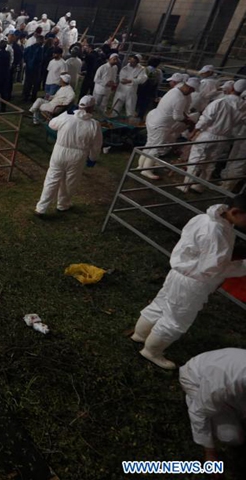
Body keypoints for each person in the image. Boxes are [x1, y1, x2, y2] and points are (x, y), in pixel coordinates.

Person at [131, 195, 246, 369]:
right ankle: (152, 351)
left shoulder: (203, 218)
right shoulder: (218, 232)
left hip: (179, 272)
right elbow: (212, 268)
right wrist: (242, 266)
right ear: (235, 212)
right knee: (177, 319)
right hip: (194, 282)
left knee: (161, 303)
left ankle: (140, 334)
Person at [34, 95, 102, 215]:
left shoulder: (66, 117)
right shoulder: (94, 125)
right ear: (91, 108)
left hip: (60, 151)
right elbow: (96, 145)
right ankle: (63, 204)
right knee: (70, 181)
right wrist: (93, 158)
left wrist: (65, 114)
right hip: (78, 155)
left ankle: (41, 207)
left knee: (52, 179)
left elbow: (51, 124)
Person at [179, 348, 246, 462]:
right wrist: (210, 454)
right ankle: (195, 398)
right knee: (231, 437)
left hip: (229, 384)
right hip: (196, 379)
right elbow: (199, 413)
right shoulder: (221, 383)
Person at [178, 81, 243, 193]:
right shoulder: (243, 106)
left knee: (196, 160)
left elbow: (206, 119)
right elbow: (239, 123)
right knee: (210, 163)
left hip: (208, 134)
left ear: (232, 88)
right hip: (223, 137)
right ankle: (199, 186)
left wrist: (195, 131)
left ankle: (186, 186)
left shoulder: (220, 102)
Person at [136, 78, 199, 180]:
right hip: (161, 123)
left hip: (154, 118)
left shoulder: (174, 90)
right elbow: (177, 117)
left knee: (150, 144)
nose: (192, 93)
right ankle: (146, 170)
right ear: (189, 88)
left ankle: (141, 166)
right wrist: (188, 121)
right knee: (155, 147)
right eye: (192, 90)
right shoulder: (180, 98)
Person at [111, 54, 147, 119]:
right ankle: (113, 118)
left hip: (132, 91)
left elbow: (142, 79)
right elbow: (122, 80)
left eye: (133, 62)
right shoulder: (125, 68)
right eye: (130, 61)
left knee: (130, 108)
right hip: (121, 90)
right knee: (116, 106)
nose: (131, 63)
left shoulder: (141, 69)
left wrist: (131, 81)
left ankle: (130, 121)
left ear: (137, 62)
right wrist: (131, 81)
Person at [22, 35, 44, 101]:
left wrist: (27, 62)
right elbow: (41, 59)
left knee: (28, 82)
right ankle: (33, 97)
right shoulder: (40, 49)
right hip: (36, 68)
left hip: (29, 67)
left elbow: (24, 55)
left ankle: (26, 96)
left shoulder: (30, 47)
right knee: (35, 83)